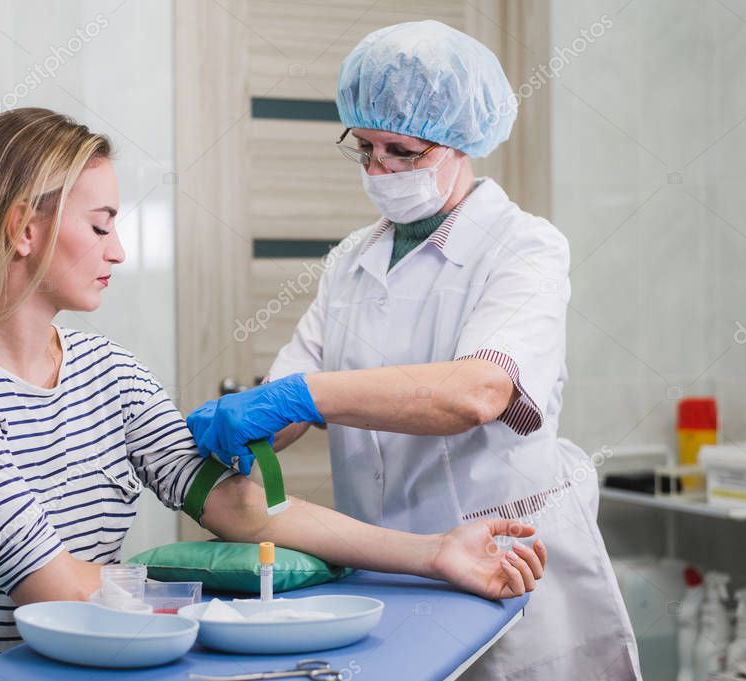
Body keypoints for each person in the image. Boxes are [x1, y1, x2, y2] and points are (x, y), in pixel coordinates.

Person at [0, 107, 545, 681]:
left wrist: (433, 552)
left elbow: (238, 504)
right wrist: (226, 618)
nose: (118, 250)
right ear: (24, 229)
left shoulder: (106, 370)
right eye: (100, 225)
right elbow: (52, 588)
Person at [187, 21, 641, 680]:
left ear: (460, 142)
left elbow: (477, 392)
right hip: (388, 568)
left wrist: (305, 397)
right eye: (364, 147)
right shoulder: (351, 259)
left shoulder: (524, 247)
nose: (378, 169)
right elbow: (285, 399)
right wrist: (244, 423)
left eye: (400, 150)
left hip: (506, 563)